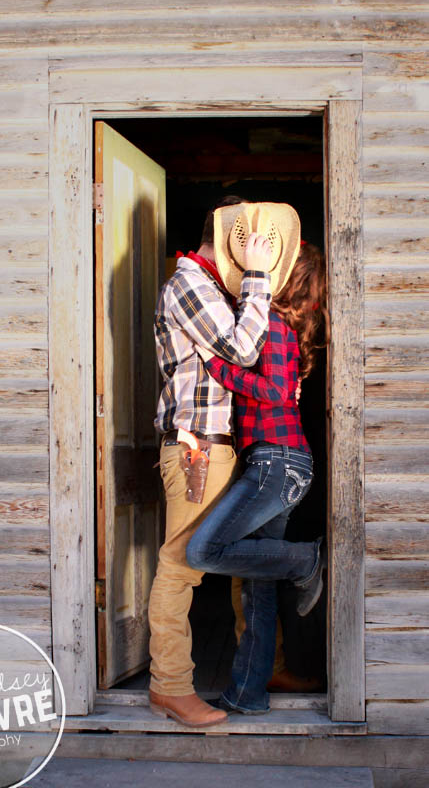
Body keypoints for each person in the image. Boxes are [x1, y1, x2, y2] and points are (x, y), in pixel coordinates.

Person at [148, 198, 301, 728]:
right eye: (253, 245)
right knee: (182, 565)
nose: (259, 255)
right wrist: (258, 277)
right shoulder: (188, 283)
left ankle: (267, 669)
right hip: (199, 449)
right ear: (231, 242)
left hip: (223, 445)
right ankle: (169, 686)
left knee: (244, 559)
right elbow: (241, 350)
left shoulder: (215, 289)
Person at [186, 238, 328, 716]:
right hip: (276, 462)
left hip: (279, 462)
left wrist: (219, 368)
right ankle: (247, 692)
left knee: (204, 550)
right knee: (255, 586)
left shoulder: (275, 325)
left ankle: (306, 561)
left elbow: (271, 388)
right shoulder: (274, 324)